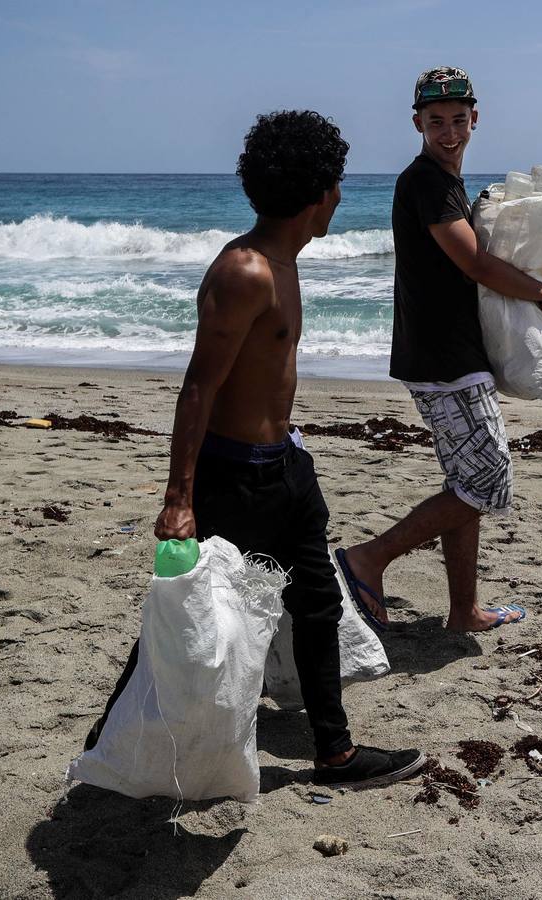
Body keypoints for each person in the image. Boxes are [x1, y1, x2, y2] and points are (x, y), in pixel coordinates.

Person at [88, 110, 424, 790]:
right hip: (232, 476)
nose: (339, 199)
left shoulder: (283, 262)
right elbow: (198, 387)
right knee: (186, 615)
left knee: (319, 604)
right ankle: (109, 743)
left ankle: (335, 753)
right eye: (337, 187)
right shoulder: (246, 272)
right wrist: (178, 498)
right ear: (321, 194)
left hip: (285, 468)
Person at [335, 67, 542, 634]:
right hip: (443, 358)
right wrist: (540, 293)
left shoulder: (445, 180)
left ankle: (462, 610)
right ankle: (369, 558)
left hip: (452, 353)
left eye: (458, 120)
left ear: (475, 119)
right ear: (417, 123)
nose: (449, 132)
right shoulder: (427, 183)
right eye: (436, 122)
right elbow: (473, 262)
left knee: (467, 480)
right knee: (489, 482)